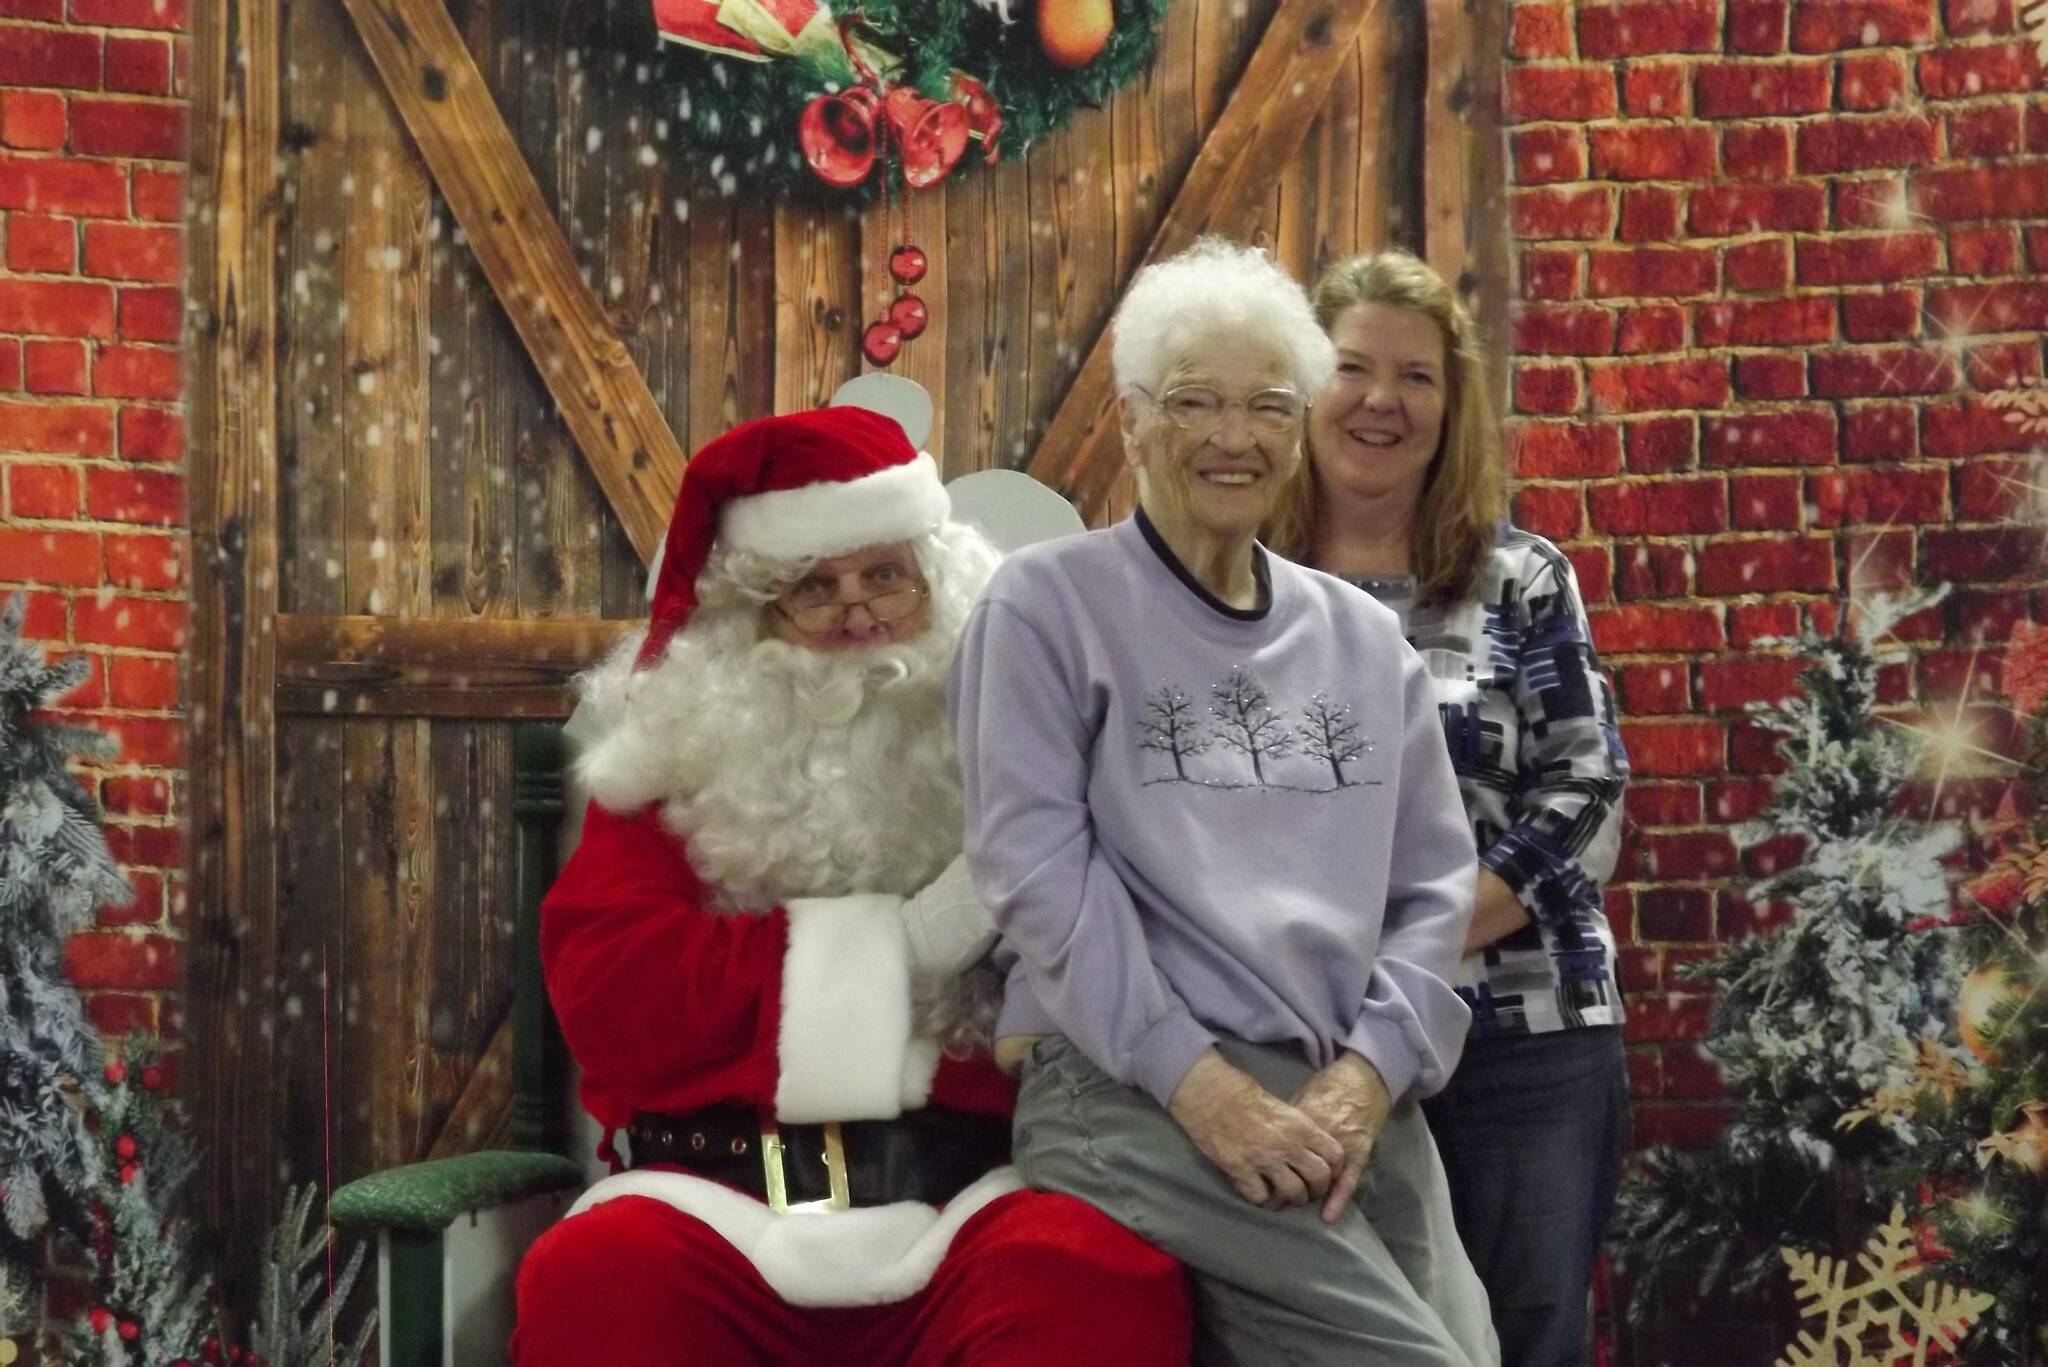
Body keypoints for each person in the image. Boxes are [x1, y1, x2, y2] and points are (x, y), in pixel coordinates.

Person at [513, 406, 1192, 1365]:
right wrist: (903, 946)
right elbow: (615, 988)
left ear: (939, 583)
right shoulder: (671, 762)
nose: (860, 610)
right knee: (597, 1277)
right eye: (813, 588)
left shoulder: (1018, 742)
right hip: (713, 1201)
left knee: (1094, 1277)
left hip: (971, 1195)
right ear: (755, 618)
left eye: (887, 575)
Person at [950, 237, 1498, 1367]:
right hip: (1130, 1087)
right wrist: (1200, 1086)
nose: (1232, 436)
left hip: (1347, 1087)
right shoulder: (1047, 608)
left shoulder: (1361, 640)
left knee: (1471, 1348)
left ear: (1298, 429)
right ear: (1133, 421)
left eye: (1264, 405)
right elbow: (1035, 873)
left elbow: (1432, 886)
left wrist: (1367, 1074)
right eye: (1194, 402)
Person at [1265, 249, 1630, 1367]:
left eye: (1415, 376)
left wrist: (1421, 939)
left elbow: (1585, 783)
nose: (1381, 399)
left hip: (1521, 1037)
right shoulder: (1239, 587)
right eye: (1351, 367)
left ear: (1449, 403)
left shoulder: (1518, 575)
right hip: (1305, 1040)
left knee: (1525, 1336)